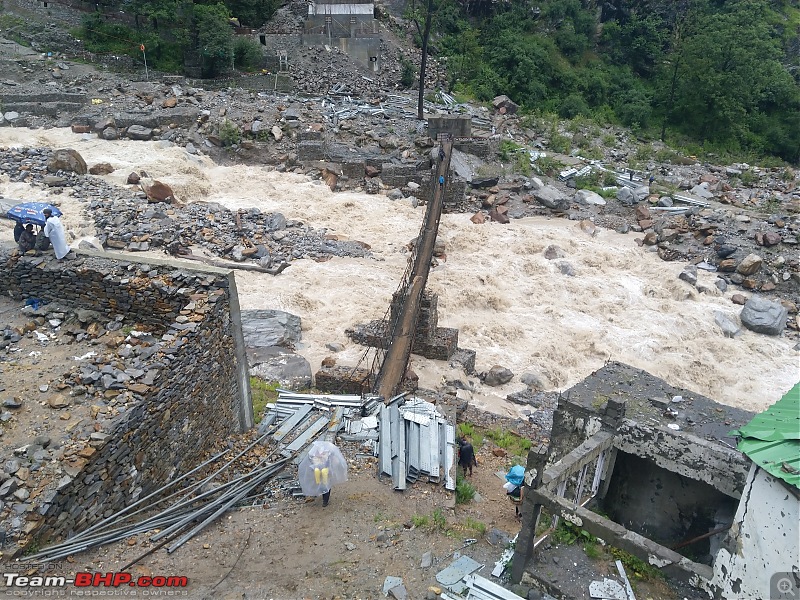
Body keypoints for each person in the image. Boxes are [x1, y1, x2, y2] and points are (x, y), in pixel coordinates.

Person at [298, 440, 348, 508]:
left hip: (326, 473)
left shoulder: (330, 455)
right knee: (320, 485)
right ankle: (319, 496)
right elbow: (311, 462)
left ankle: (325, 501)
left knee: (326, 485)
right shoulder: (314, 455)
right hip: (318, 474)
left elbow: (335, 463)